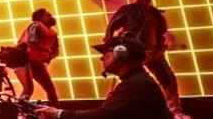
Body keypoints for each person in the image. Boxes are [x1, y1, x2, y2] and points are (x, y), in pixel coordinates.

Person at [104, 0, 189, 118]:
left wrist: (160, 49)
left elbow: (161, 33)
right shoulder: (127, 10)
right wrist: (108, 47)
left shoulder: (156, 14)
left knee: (168, 79)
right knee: (125, 80)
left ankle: (175, 110)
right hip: (132, 53)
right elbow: (111, 27)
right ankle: (109, 109)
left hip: (153, 52)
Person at [36, 36, 171, 119]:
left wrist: (59, 115)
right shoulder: (136, 81)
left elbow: (104, 116)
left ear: (121, 54)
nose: (102, 58)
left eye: (106, 52)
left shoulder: (136, 85)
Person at [16, 8, 61, 107]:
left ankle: (56, 113)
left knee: (50, 89)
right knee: (28, 88)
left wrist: (51, 55)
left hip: (36, 62)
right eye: (48, 15)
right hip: (23, 60)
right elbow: (31, 43)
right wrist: (46, 51)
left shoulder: (52, 33)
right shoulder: (36, 25)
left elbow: (56, 51)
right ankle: (18, 112)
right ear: (40, 18)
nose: (51, 17)